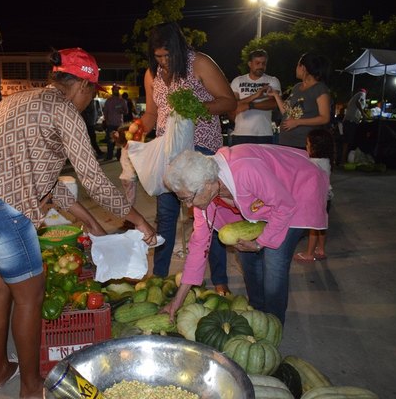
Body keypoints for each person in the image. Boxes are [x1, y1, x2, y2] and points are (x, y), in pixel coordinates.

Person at [0, 47, 156, 398]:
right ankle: (31, 388)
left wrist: (93, 226)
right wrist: (137, 221)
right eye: (93, 91)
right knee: (30, 296)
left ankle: (0, 372)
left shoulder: (18, 100)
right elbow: (95, 179)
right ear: (84, 86)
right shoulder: (65, 110)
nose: (90, 100)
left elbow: (52, 184)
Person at [161, 147, 329, 324]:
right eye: (183, 199)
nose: (188, 205)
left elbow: (284, 206)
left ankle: (273, 322)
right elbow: (198, 248)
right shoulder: (204, 195)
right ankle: (257, 312)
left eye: (188, 198)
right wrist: (176, 302)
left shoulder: (245, 170)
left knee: (274, 260)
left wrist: (260, 243)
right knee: (246, 256)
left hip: (297, 190)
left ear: (207, 184)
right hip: (268, 202)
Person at [128, 21, 237, 295]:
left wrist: (195, 107)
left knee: (208, 215)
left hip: (201, 150)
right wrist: (140, 126)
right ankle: (160, 276)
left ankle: (220, 278)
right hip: (169, 153)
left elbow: (228, 101)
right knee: (165, 216)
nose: (163, 61)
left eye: (167, 56)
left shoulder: (199, 63)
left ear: (179, 48)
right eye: (158, 57)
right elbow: (153, 114)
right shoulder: (152, 74)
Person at [268, 53, 331, 149]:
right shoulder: (297, 87)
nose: (296, 68)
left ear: (304, 68)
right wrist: (276, 95)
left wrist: (297, 122)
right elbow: (286, 112)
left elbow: (325, 118)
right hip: (285, 141)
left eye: (298, 65)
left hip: (302, 143)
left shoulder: (319, 88)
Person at [294, 129, 335, 262]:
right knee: (321, 225)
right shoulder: (327, 160)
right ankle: (321, 250)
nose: (306, 147)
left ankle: (309, 253)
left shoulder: (313, 162)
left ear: (315, 146)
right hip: (326, 197)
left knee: (313, 227)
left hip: (316, 199)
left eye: (307, 144)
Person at [228, 49, 281, 145]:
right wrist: (256, 95)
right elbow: (233, 105)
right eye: (257, 63)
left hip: (263, 134)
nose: (261, 66)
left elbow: (273, 103)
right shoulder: (237, 81)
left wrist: (249, 105)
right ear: (250, 64)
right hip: (240, 134)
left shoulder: (272, 80)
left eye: (263, 63)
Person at [342, 88, 368, 164]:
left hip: (348, 120)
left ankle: (343, 159)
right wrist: (363, 114)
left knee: (347, 141)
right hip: (351, 121)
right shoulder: (362, 94)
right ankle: (343, 160)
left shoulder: (355, 96)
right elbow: (358, 102)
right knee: (348, 141)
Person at [103, 83, 127, 160]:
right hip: (110, 123)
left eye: (118, 89)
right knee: (110, 141)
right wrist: (106, 120)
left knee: (120, 141)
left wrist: (122, 111)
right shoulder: (108, 101)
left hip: (119, 124)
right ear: (112, 90)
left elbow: (126, 111)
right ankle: (109, 156)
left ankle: (119, 156)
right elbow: (105, 112)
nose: (117, 90)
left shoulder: (122, 101)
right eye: (115, 89)